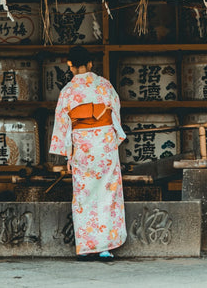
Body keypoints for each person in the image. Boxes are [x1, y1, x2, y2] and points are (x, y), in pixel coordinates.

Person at [49, 45, 127, 260]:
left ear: (70, 65)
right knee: (107, 193)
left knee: (83, 195)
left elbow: (63, 123)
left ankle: (86, 248)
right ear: (91, 64)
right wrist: (111, 139)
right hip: (104, 144)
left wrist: (67, 152)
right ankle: (105, 248)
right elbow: (115, 114)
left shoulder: (68, 91)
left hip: (82, 145)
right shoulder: (105, 86)